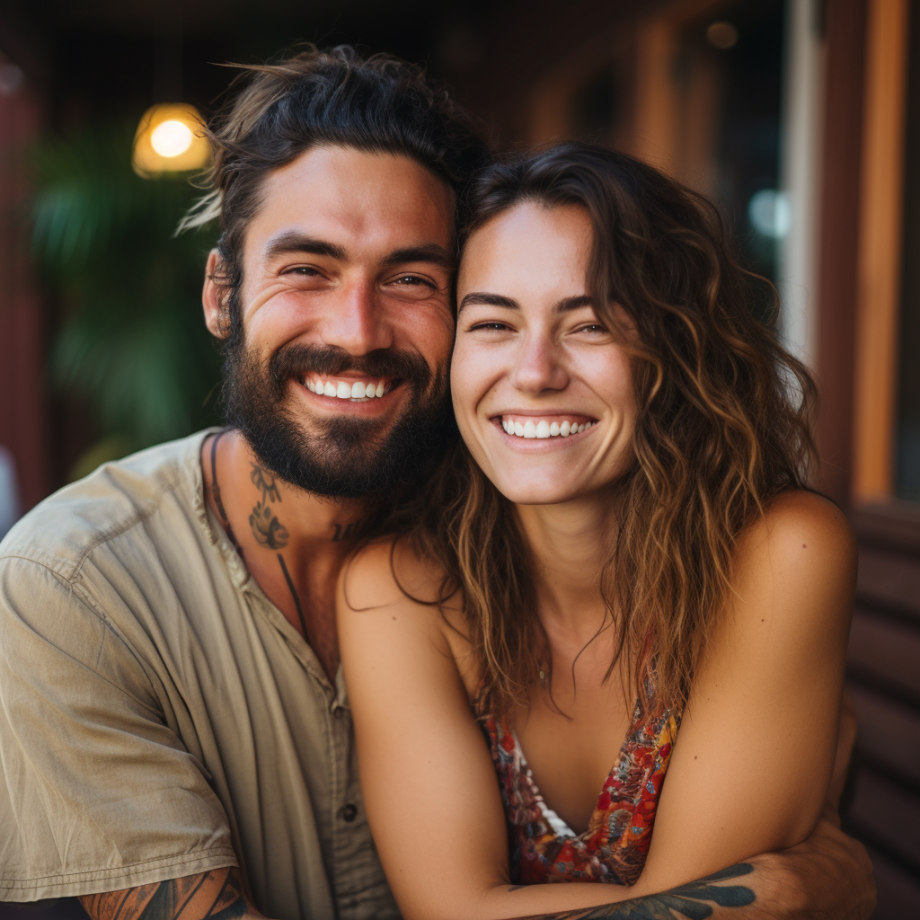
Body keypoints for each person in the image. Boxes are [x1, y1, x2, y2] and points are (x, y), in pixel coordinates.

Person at [0, 48, 872, 920]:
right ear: (221, 295)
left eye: (412, 279)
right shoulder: (73, 590)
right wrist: (778, 893)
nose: (358, 330)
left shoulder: (534, 521)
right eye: (307, 268)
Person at [337, 144, 870, 920]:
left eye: (588, 325)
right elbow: (445, 910)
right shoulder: (401, 589)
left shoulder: (779, 555)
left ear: (674, 350)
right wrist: (777, 895)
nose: (535, 370)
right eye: (492, 323)